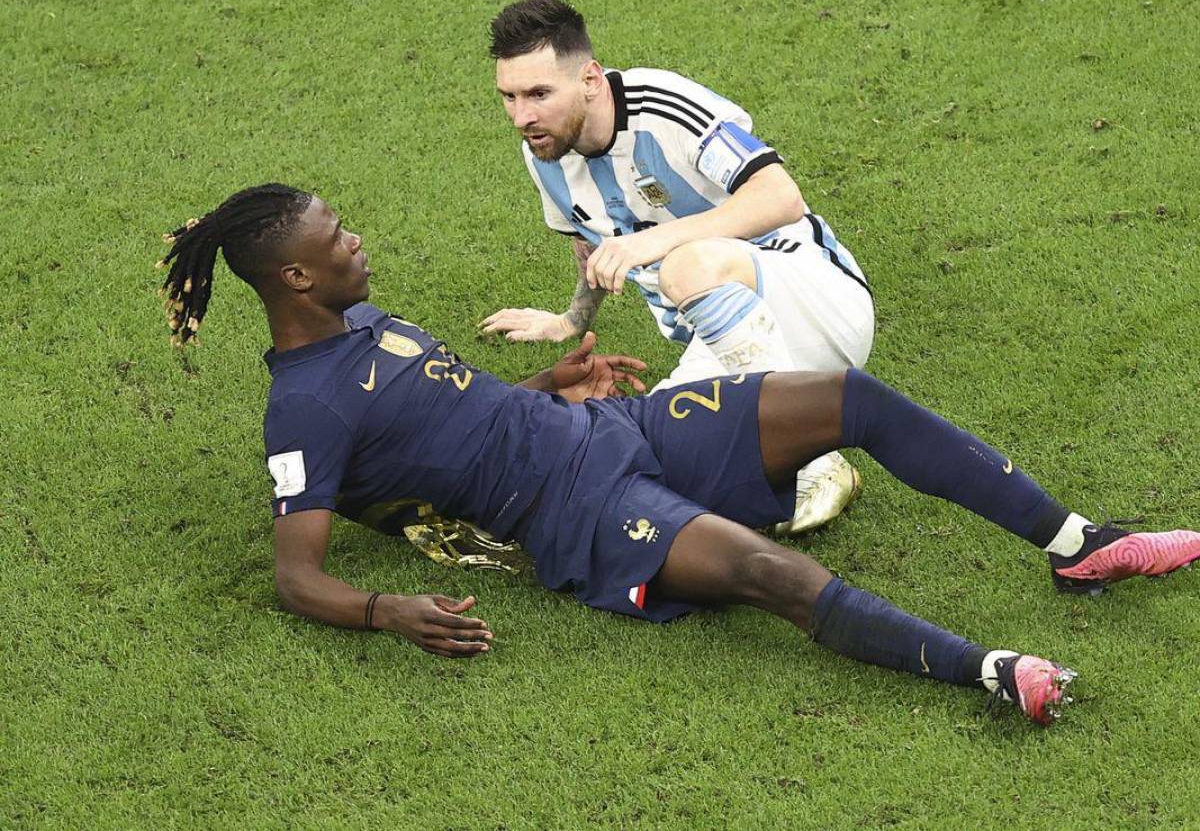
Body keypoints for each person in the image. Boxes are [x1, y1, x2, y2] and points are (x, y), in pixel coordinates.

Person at [158, 184, 1200, 727]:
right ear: (296, 277)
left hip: (619, 431)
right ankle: (993, 671)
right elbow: (297, 576)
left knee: (851, 398)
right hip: (573, 518)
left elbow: (447, 419)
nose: (356, 242)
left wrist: (551, 384)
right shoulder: (303, 409)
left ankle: (1077, 544)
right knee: (765, 573)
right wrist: (390, 610)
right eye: (337, 237)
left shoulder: (361, 320)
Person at [479, 0, 875, 535]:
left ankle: (814, 458)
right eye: (509, 96)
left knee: (686, 263)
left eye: (539, 94)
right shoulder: (543, 149)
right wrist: (572, 320)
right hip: (733, 348)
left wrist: (654, 242)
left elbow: (781, 197)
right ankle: (774, 451)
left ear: (590, 79)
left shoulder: (662, 105)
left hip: (817, 304)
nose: (522, 116)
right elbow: (589, 245)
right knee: (636, 460)